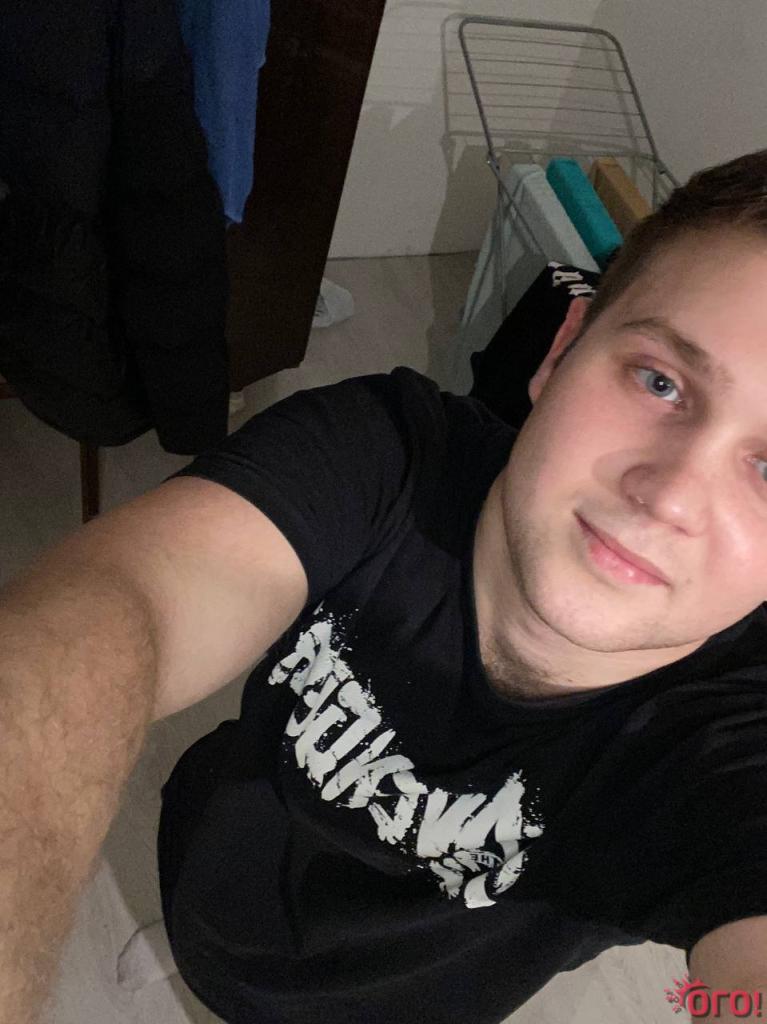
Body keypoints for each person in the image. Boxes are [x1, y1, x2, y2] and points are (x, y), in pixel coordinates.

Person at [3, 150, 767, 1024]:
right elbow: (109, 615)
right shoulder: (379, 455)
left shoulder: (725, 746)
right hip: (209, 879)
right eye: (659, 382)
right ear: (561, 351)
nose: (669, 497)